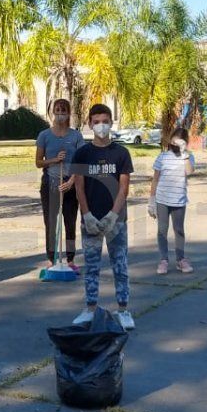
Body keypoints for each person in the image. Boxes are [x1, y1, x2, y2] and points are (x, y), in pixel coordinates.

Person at [72, 104, 135, 330]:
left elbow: (123, 188)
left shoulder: (121, 153)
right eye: (96, 121)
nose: (101, 126)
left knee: (120, 265)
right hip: (91, 219)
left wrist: (113, 215)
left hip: (116, 220)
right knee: (91, 266)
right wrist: (87, 215)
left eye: (105, 121)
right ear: (89, 124)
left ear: (111, 122)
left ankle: (123, 309)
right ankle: (90, 309)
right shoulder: (83, 154)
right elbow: (79, 188)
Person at [35, 99, 84, 270]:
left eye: (64, 110)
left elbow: (81, 163)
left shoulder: (76, 136)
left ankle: (70, 260)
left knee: (70, 223)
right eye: (57, 110)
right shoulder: (44, 135)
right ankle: (51, 259)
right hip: (50, 184)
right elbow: (38, 162)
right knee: (50, 223)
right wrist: (55, 159)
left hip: (70, 184)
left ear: (69, 113)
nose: (60, 113)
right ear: (52, 112)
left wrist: (71, 182)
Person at [149, 128, 195, 274]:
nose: (176, 144)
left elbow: (189, 172)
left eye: (181, 142)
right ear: (170, 141)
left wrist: (184, 154)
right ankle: (163, 260)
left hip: (179, 200)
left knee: (179, 230)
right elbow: (155, 179)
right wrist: (152, 200)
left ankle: (181, 260)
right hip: (162, 200)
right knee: (162, 230)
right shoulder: (162, 157)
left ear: (185, 143)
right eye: (175, 141)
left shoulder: (188, 157)